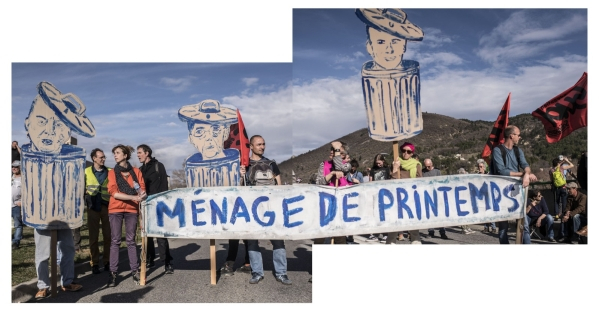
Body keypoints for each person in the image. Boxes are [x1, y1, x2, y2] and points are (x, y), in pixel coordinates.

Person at [242, 135, 292, 285]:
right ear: (250, 146)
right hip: (253, 209)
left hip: (272, 208)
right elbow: (239, 189)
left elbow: (279, 186)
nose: (262, 147)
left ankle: (281, 273)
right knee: (252, 242)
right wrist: (240, 175)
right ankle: (257, 272)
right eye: (258, 144)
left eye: (263, 144)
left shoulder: (271, 163)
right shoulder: (245, 165)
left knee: (278, 241)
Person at [107, 144, 146, 286]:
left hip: (131, 210)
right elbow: (113, 192)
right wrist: (133, 198)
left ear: (125, 155)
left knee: (131, 241)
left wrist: (142, 195)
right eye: (114, 153)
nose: (115, 155)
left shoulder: (136, 171)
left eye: (117, 153)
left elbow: (142, 190)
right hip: (115, 209)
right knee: (115, 240)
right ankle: (113, 273)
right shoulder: (112, 172)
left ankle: (135, 271)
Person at [491, 125, 537, 244]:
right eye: (518, 134)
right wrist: (523, 174)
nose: (519, 137)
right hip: (501, 191)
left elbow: (525, 165)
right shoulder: (497, 150)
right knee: (503, 227)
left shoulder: (518, 150)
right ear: (511, 136)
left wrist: (527, 173)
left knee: (523, 224)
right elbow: (502, 171)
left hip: (516, 190)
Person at [137, 144, 174, 274]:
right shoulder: (140, 169)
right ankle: (149, 259)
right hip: (145, 205)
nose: (138, 155)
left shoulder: (159, 166)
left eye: (140, 152)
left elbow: (164, 185)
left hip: (158, 205)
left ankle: (166, 262)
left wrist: (164, 203)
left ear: (147, 153)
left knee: (160, 234)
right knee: (147, 234)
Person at [314, 141, 351, 245]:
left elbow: (339, 167)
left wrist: (337, 152)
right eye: (332, 149)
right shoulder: (324, 164)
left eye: (336, 150)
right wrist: (332, 173)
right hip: (325, 203)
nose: (332, 152)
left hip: (341, 204)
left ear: (343, 154)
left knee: (339, 236)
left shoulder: (347, 165)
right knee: (320, 235)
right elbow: (319, 182)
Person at [388, 142, 422, 244]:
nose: (405, 153)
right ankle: (391, 242)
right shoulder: (396, 163)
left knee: (413, 222)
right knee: (395, 222)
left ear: (412, 153)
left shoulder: (416, 165)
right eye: (403, 151)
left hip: (411, 197)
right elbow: (390, 181)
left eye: (408, 151)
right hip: (397, 197)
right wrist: (395, 169)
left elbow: (420, 181)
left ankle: (415, 241)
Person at [84, 148, 112, 274]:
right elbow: (81, 187)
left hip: (107, 207)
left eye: (104, 157)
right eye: (100, 157)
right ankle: (94, 263)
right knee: (93, 238)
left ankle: (107, 262)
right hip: (92, 208)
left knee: (108, 236)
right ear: (94, 158)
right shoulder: (86, 172)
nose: (103, 159)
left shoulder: (111, 171)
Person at [365, 153, 391, 242]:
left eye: (379, 163)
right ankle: (375, 233)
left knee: (385, 214)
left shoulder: (387, 169)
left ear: (383, 161)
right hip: (375, 194)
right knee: (376, 214)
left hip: (385, 194)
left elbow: (390, 179)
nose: (378, 165)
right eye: (377, 163)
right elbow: (371, 181)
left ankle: (385, 234)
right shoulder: (373, 170)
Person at [422, 158, 448, 239]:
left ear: (432, 164)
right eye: (426, 166)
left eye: (429, 166)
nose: (427, 168)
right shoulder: (423, 172)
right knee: (430, 215)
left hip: (437, 196)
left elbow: (440, 182)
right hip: (427, 196)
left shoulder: (437, 171)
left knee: (440, 215)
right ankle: (431, 232)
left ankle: (442, 232)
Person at [549, 157, 574, 221]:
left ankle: (556, 215)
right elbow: (572, 165)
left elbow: (551, 180)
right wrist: (567, 161)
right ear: (558, 163)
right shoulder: (561, 168)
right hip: (563, 187)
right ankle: (564, 214)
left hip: (556, 188)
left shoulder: (551, 170)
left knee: (556, 202)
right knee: (564, 201)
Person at [477, 160, 496, 233]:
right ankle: (486, 227)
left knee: (490, 212)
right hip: (482, 196)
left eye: (481, 167)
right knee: (484, 212)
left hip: (489, 195)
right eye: (479, 167)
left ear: (484, 167)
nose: (480, 168)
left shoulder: (488, 175)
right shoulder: (477, 176)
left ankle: (493, 227)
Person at [457, 168, 475, 234]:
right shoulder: (458, 180)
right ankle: (463, 228)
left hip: (467, 198)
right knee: (463, 214)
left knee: (468, 213)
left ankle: (467, 227)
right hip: (461, 199)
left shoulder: (466, 180)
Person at [12, 161, 23, 249]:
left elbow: (28, 193)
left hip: (16, 206)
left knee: (17, 225)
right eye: (12, 167)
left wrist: (22, 202)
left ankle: (16, 242)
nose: (13, 168)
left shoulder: (24, 179)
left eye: (16, 167)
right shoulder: (9, 177)